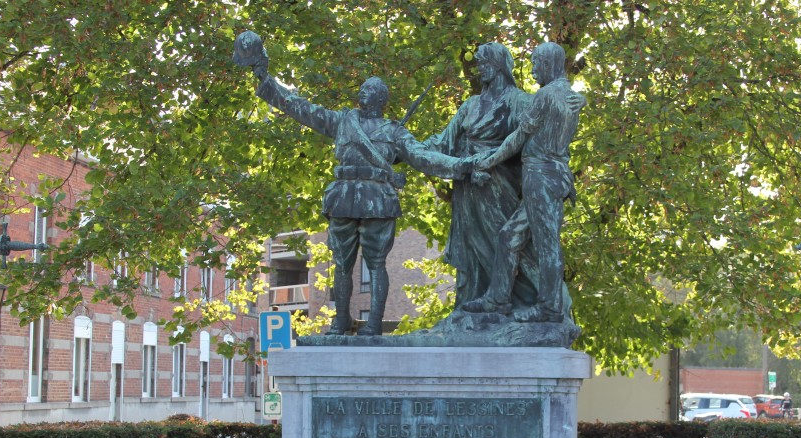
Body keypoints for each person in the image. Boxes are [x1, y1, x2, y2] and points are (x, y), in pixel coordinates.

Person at [234, 31, 476, 336]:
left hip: (377, 198)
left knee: (376, 264)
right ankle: (340, 321)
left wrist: (463, 167)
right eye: (362, 87)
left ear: (379, 98)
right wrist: (266, 81)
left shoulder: (394, 133)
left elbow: (423, 156)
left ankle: (373, 324)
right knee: (342, 264)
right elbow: (301, 107)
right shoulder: (342, 121)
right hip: (344, 196)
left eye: (368, 89)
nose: (362, 91)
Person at [422, 43, 549, 313]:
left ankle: (538, 302)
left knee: (505, 244)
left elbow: (534, 147)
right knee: (472, 251)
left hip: (499, 187)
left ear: (500, 65)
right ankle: (474, 307)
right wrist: (403, 146)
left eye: (484, 63)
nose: (480, 69)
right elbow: (443, 142)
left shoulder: (521, 102)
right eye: (478, 63)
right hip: (468, 189)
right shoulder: (471, 105)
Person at [463, 42, 585, 323]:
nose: (531, 70)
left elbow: (519, 137)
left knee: (546, 245)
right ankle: (498, 299)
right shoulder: (570, 96)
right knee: (509, 236)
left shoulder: (545, 96)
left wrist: (490, 159)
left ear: (548, 64)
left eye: (535, 63)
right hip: (552, 176)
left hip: (540, 176)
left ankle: (550, 309)